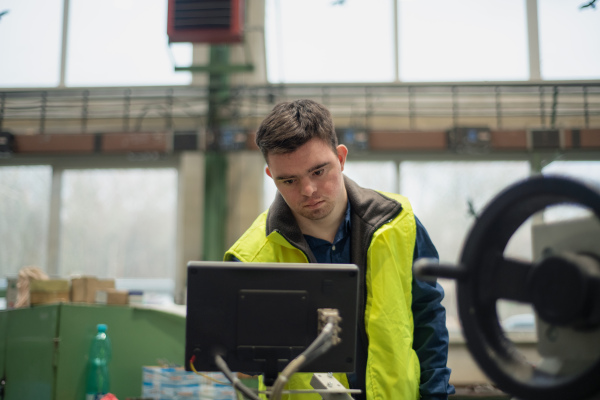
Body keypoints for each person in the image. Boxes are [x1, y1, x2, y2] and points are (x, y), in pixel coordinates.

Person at [225, 99, 455, 400]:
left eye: (319, 172)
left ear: (341, 158)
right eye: (289, 180)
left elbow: (428, 319)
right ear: (271, 176)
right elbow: (245, 370)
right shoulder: (251, 257)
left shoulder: (400, 224)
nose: (308, 190)